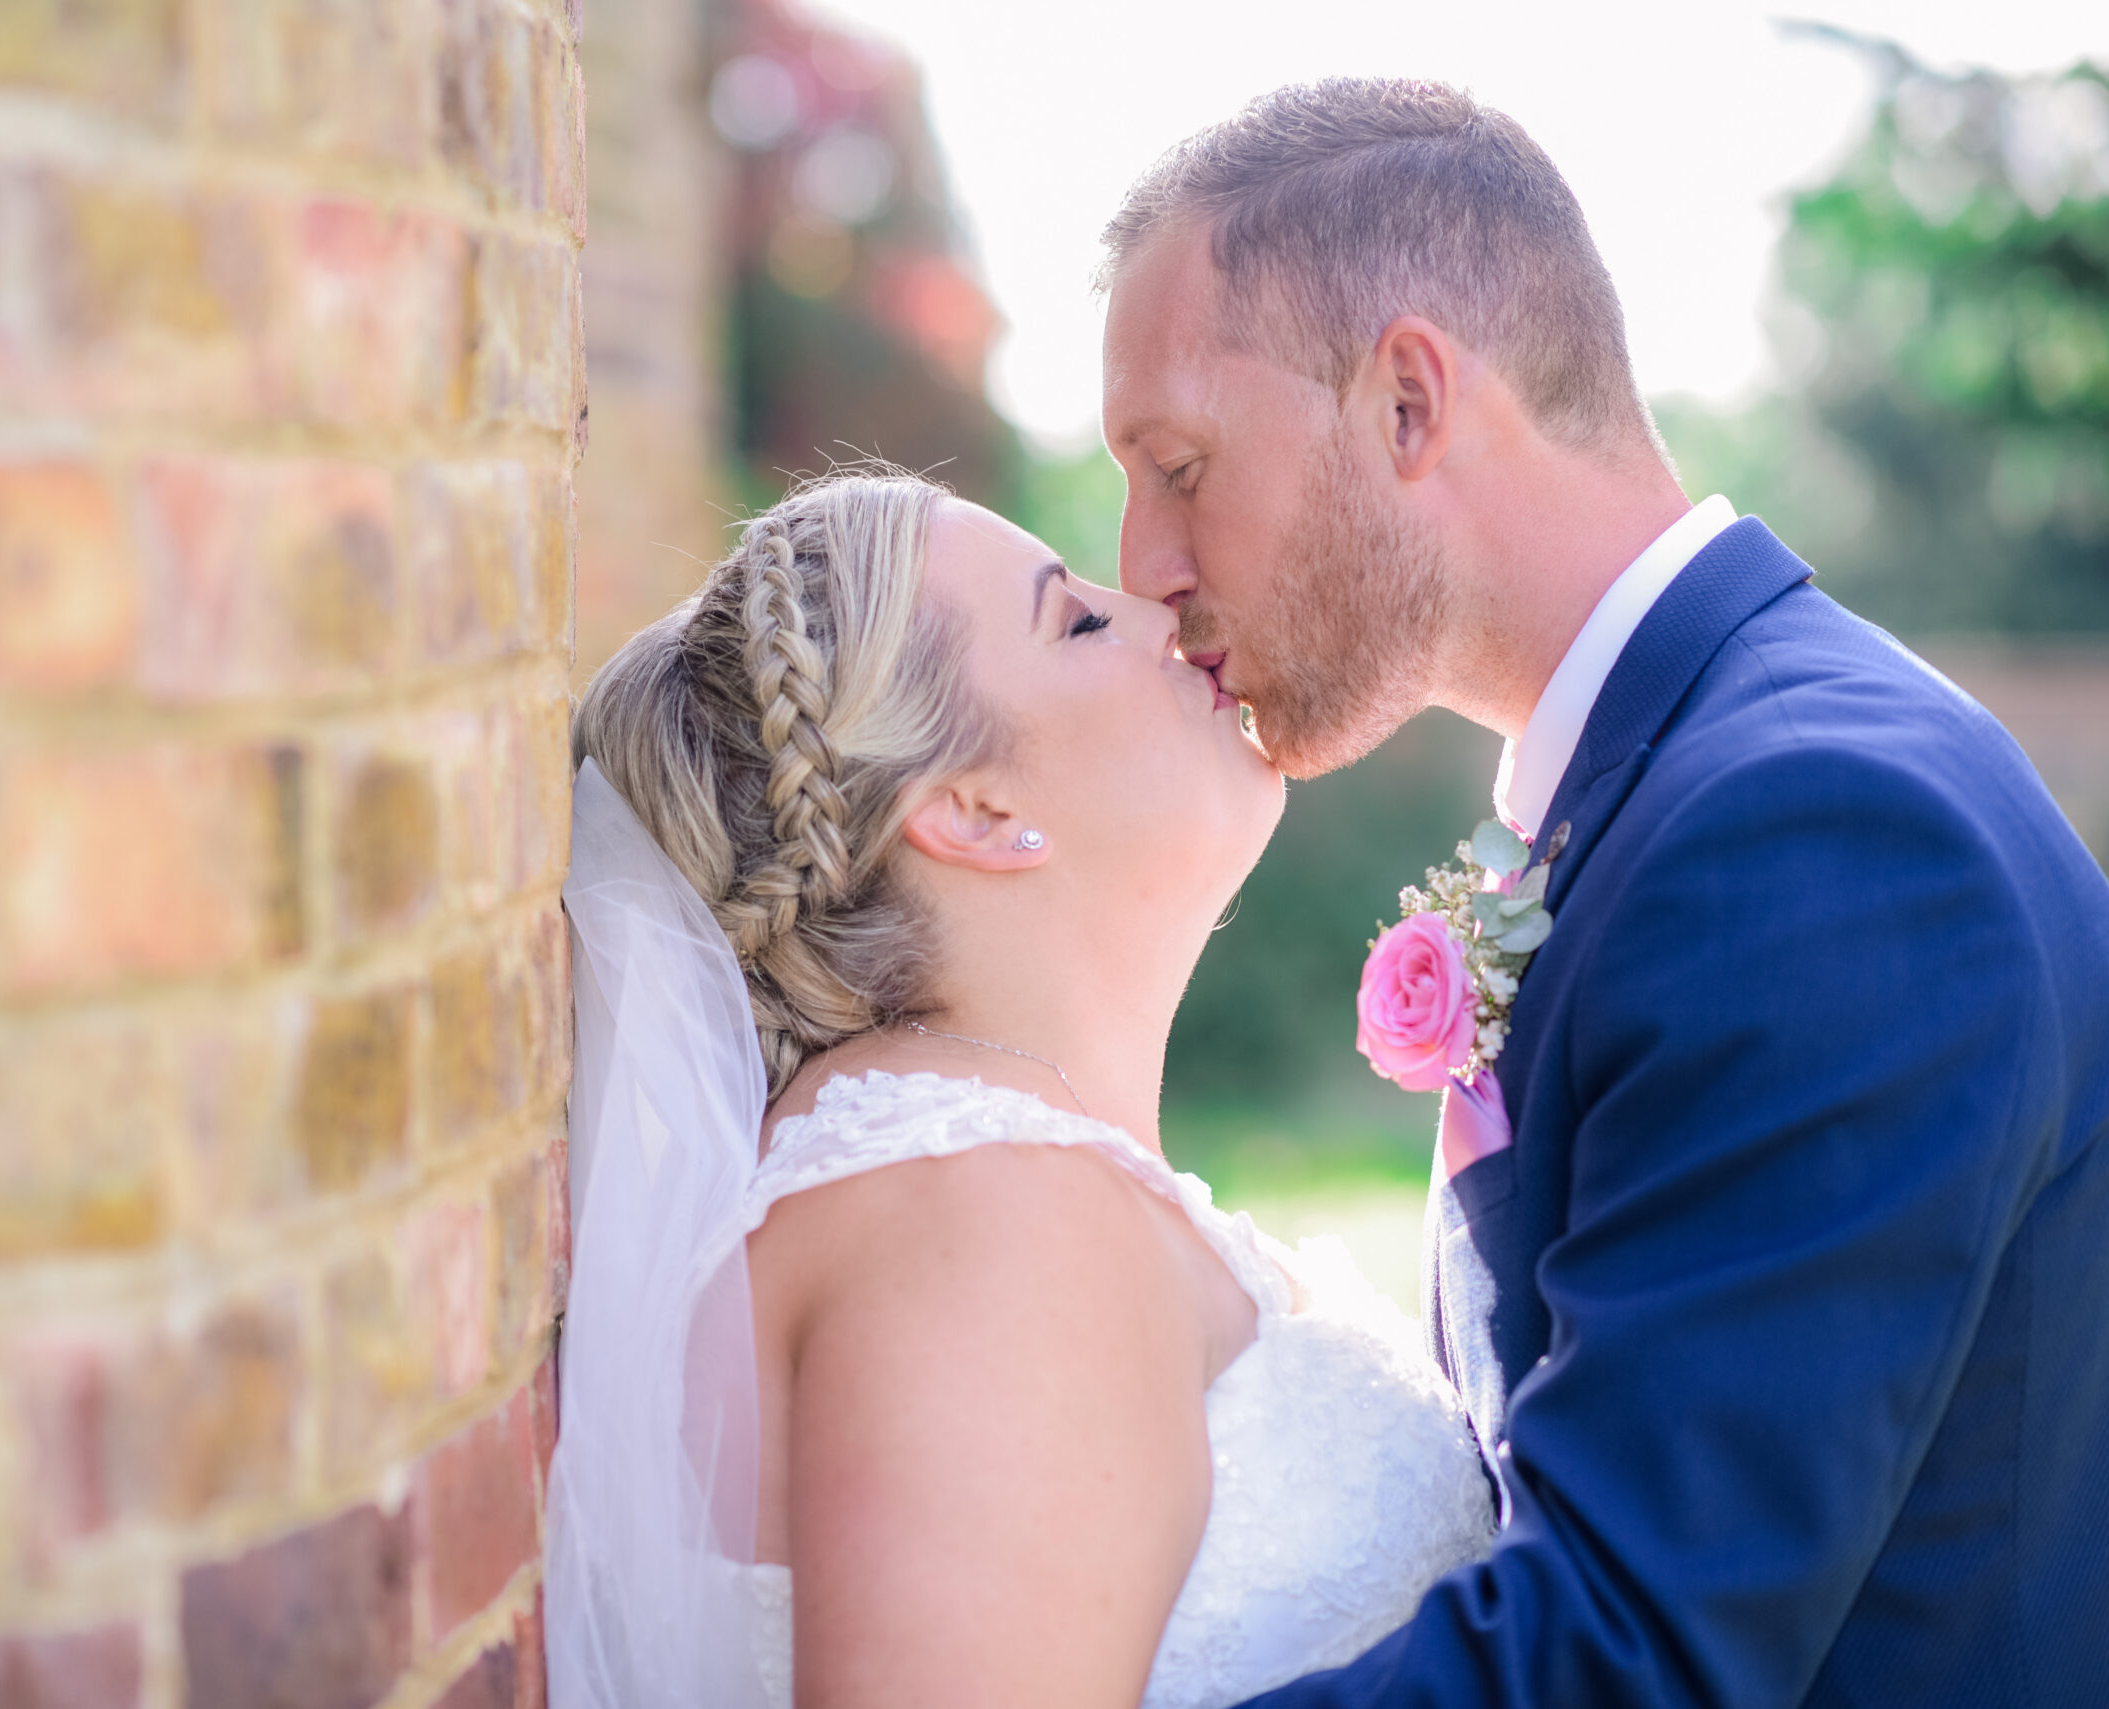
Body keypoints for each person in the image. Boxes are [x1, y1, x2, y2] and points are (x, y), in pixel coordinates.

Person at [1093, 78, 2109, 1708]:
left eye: (1182, 462)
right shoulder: (1669, 788)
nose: (1143, 559)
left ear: (1408, 402)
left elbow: (1631, 1651)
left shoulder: (1820, 838)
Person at [546, 469, 1495, 1709]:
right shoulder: (982, 1217)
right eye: (1079, 620)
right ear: (975, 811)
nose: (1163, 614)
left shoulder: (990, 1175)